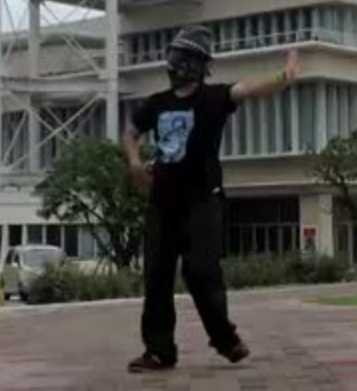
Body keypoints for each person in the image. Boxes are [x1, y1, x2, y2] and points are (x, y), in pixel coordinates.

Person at [123, 25, 299, 373]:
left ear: (195, 63)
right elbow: (131, 132)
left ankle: (225, 339)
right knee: (156, 276)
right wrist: (134, 163)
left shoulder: (214, 98)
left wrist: (285, 76)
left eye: (179, 57)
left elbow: (249, 89)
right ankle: (159, 351)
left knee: (201, 272)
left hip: (202, 201)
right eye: (172, 56)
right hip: (162, 203)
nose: (173, 64)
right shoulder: (157, 103)